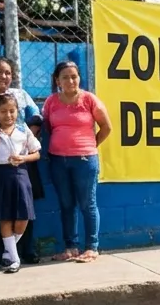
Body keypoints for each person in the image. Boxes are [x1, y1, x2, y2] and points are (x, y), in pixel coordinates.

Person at [42, 60, 111, 263]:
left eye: (74, 76)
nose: (71, 80)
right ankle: (70, 248)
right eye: (65, 77)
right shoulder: (51, 102)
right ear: (57, 81)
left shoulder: (90, 100)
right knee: (66, 204)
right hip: (58, 160)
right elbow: (47, 127)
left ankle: (92, 247)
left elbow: (106, 127)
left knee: (87, 204)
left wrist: (89, 146)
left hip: (85, 160)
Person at [0, 56, 43, 266]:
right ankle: (1, 253)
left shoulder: (20, 95)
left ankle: (26, 249)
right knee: (1, 208)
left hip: (22, 160)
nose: (4, 76)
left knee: (25, 206)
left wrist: (23, 136)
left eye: (8, 73)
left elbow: (36, 116)